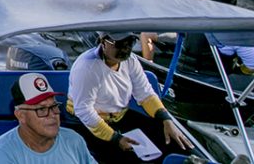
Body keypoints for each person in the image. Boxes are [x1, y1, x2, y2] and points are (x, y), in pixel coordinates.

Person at [67, 32, 193, 163]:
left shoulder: (131, 60)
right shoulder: (87, 67)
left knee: (172, 142)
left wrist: (166, 119)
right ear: (103, 42)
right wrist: (115, 138)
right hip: (86, 122)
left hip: (119, 117)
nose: (125, 49)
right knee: (125, 157)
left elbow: (145, 93)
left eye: (130, 43)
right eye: (119, 44)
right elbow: (84, 110)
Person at [0, 73, 95, 164]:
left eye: (54, 106)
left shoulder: (74, 140)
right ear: (21, 115)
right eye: (41, 109)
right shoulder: (4, 150)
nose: (52, 115)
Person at [204, 0, 254, 74]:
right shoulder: (237, 31)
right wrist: (236, 70)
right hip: (217, 79)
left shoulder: (188, 21)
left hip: (182, 71)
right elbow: (251, 66)